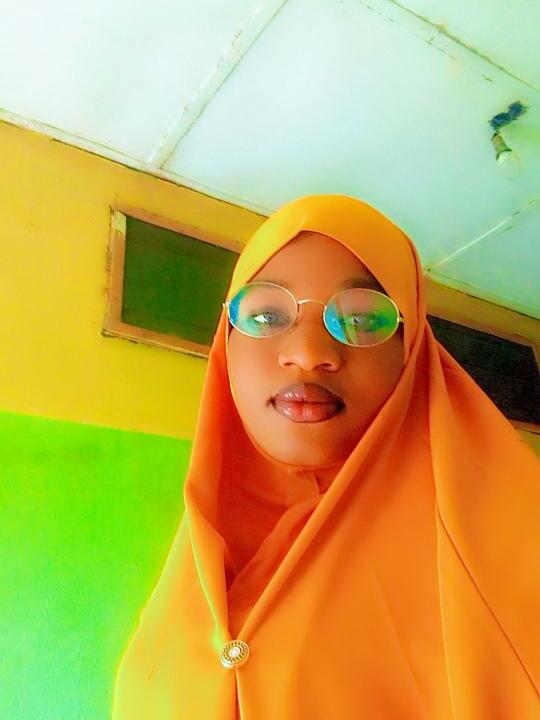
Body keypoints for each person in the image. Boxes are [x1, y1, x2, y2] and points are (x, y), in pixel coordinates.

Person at [112, 194, 540, 719]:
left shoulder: (511, 537)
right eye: (266, 315)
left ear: (410, 350)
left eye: (361, 319)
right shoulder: (195, 561)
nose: (309, 353)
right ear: (226, 341)